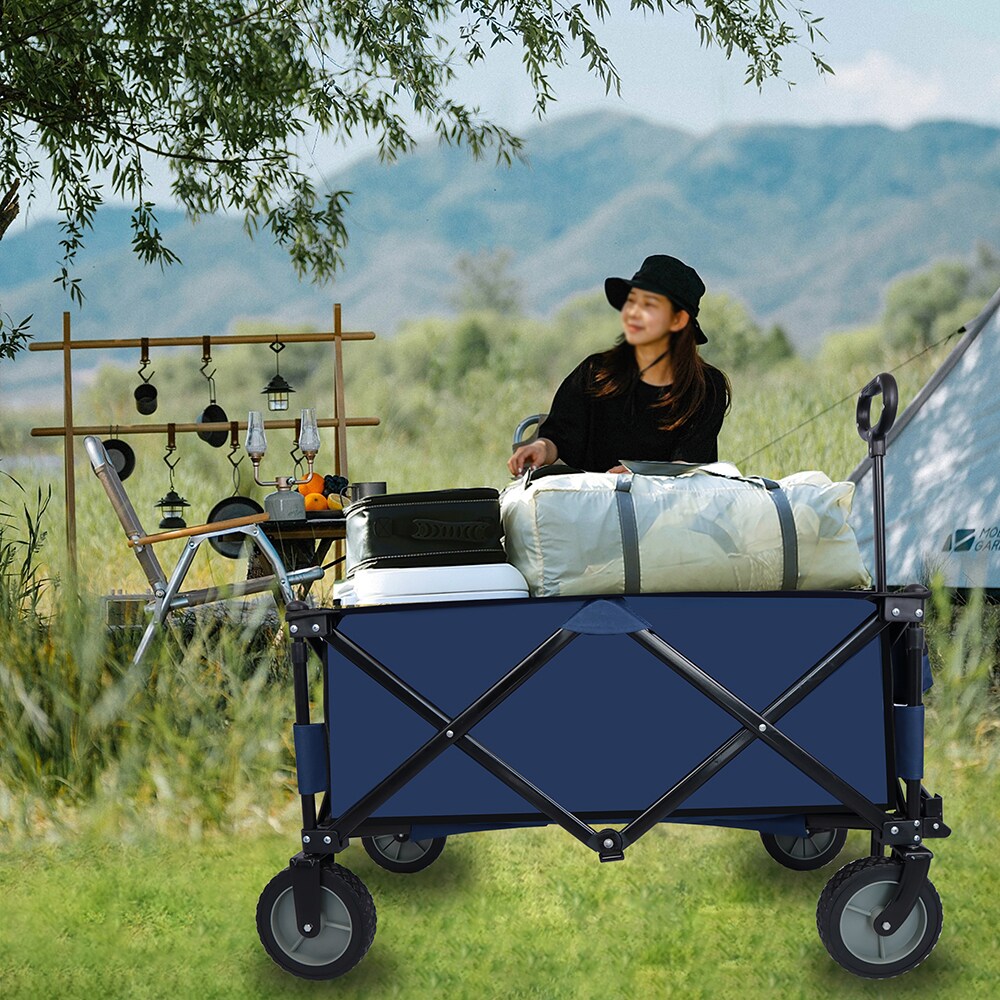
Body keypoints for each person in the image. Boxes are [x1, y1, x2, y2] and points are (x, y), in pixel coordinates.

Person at [508, 255, 731, 476]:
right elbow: (559, 436)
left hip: (670, 506)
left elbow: (688, 465)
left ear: (678, 320)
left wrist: (641, 477)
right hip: (595, 504)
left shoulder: (707, 386)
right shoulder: (596, 373)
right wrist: (540, 448)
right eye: (631, 302)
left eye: (649, 305)